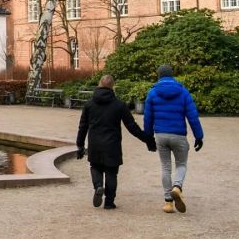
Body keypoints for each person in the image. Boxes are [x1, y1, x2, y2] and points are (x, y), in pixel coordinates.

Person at [76, 74, 155, 210]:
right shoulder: (119, 105)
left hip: (95, 143)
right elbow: (132, 127)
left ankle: (98, 186)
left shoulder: (89, 104)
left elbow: (83, 126)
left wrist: (80, 145)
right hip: (112, 144)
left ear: (99, 84)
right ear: (113, 86)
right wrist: (147, 139)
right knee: (112, 172)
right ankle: (109, 202)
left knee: (95, 167)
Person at [143, 64, 204, 214]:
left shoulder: (152, 93)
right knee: (181, 164)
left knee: (165, 167)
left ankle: (168, 203)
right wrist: (199, 136)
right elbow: (193, 116)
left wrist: (148, 137)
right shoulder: (183, 92)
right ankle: (177, 187)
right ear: (172, 75)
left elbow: (148, 118)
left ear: (159, 76)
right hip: (179, 135)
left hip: (161, 135)